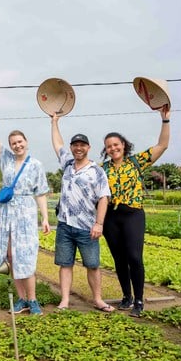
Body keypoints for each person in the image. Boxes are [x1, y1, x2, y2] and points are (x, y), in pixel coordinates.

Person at [0, 104, 50, 315]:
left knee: (26, 255)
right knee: (11, 256)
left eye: (20, 142)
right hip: (7, 213)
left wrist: (45, 218)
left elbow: (41, 193)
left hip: (26, 213)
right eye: (13, 143)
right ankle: (21, 299)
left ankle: (33, 299)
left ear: (26, 143)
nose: (17, 145)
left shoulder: (36, 165)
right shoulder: (6, 159)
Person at [101, 108, 171, 317]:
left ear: (123, 145)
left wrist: (165, 119)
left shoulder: (136, 161)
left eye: (116, 144)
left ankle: (139, 300)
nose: (113, 148)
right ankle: (126, 296)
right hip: (111, 217)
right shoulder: (103, 168)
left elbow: (162, 145)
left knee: (134, 256)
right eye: (109, 146)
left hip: (133, 214)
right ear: (105, 150)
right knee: (119, 258)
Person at [50, 116, 113, 312]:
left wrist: (99, 223)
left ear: (88, 148)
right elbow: (57, 143)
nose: (78, 148)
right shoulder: (67, 164)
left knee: (93, 265)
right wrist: (54, 122)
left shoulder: (96, 171)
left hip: (87, 227)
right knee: (65, 264)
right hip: (64, 225)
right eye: (75, 145)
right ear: (72, 148)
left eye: (82, 145)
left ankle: (98, 300)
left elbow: (104, 198)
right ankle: (65, 301)